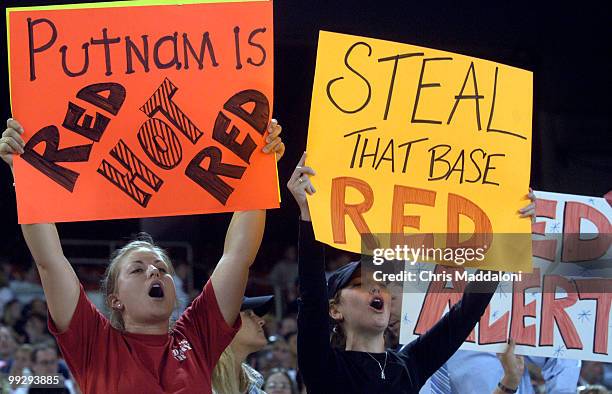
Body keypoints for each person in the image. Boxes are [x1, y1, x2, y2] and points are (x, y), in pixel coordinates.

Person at [0, 117, 285, 393]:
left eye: (162, 268)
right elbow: (50, 261)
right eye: (137, 269)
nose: (155, 272)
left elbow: (237, 256)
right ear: (115, 299)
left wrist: (259, 172)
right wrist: (25, 178)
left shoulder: (197, 336)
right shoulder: (94, 342)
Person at [287, 153, 535, 394]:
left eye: (382, 282)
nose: (377, 289)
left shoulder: (410, 364)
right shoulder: (324, 365)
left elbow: (468, 311)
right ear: (334, 310)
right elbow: (312, 297)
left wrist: (511, 235)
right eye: (361, 283)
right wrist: (308, 215)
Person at [212, 294, 274, 394]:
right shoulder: (195, 382)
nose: (261, 321)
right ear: (223, 325)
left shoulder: (256, 388)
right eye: (249, 314)